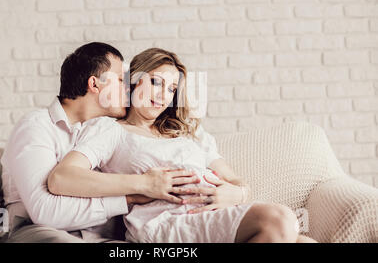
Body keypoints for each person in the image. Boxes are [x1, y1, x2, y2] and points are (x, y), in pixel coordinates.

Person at [48, 48, 318, 243]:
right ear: (133, 80)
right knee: (278, 219)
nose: (162, 95)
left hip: (214, 214)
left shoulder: (188, 131)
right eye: (155, 82)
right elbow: (62, 178)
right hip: (165, 222)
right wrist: (141, 183)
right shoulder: (111, 130)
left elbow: (233, 178)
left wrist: (238, 194)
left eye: (170, 89)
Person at [0, 42, 203, 243]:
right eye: (121, 80)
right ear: (95, 84)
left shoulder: (107, 133)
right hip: (38, 232)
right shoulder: (37, 126)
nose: (128, 88)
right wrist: (132, 194)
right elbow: (45, 212)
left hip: (100, 238)